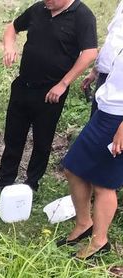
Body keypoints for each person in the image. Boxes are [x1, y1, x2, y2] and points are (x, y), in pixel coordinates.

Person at [0, 0, 98, 197]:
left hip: (51, 91)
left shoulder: (83, 15)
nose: (47, 2)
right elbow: (12, 28)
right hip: (23, 84)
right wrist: (9, 47)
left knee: (42, 140)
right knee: (13, 136)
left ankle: (31, 184)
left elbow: (89, 53)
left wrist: (63, 84)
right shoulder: (39, 8)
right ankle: (4, 180)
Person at [59, 42, 123, 260]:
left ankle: (99, 241)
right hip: (105, 110)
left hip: (118, 119)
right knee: (73, 168)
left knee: (104, 183)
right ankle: (84, 223)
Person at [82, 0, 123, 114]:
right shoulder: (121, 6)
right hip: (105, 74)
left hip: (118, 81)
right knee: (96, 117)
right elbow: (112, 41)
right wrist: (95, 70)